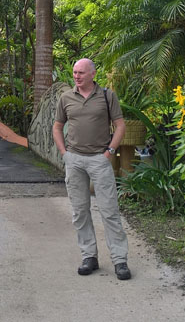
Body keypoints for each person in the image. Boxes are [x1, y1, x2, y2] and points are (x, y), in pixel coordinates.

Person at [51, 58, 131, 280]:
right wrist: (64, 154)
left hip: (99, 160)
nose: (76, 76)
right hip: (74, 160)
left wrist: (110, 152)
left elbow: (120, 125)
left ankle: (120, 260)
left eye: (81, 73)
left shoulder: (107, 96)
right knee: (80, 211)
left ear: (93, 74)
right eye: (75, 72)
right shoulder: (66, 98)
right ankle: (89, 257)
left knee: (109, 211)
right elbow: (57, 127)